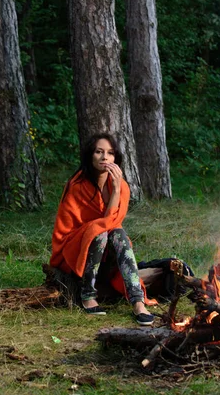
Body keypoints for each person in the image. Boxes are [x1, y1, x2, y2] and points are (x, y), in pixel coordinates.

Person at [50, 133, 156, 325]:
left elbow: (112, 222)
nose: (104, 157)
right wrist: (97, 230)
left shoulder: (121, 186)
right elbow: (67, 230)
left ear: (115, 158)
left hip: (106, 248)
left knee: (118, 234)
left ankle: (138, 302)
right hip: (75, 249)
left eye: (110, 153)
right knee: (99, 233)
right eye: (99, 152)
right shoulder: (77, 185)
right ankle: (88, 295)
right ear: (91, 155)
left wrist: (115, 190)